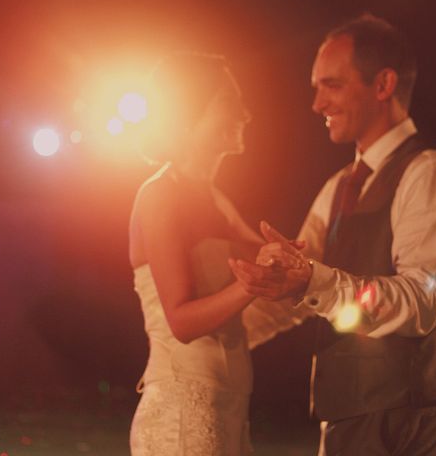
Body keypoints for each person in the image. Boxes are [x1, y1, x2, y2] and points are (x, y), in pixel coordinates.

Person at [229, 14, 436, 455]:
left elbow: (423, 300)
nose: (317, 104)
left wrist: (312, 281)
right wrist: (219, 337)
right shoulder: (338, 186)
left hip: (404, 415)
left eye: (332, 85)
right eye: (316, 87)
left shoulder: (430, 173)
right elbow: (300, 295)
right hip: (347, 410)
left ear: (383, 85)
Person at [128, 52, 308, 455]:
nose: (246, 114)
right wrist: (252, 283)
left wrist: (294, 264)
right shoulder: (159, 195)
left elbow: (270, 267)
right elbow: (182, 321)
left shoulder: (217, 200)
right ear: (194, 109)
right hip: (180, 417)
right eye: (232, 100)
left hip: (228, 410)